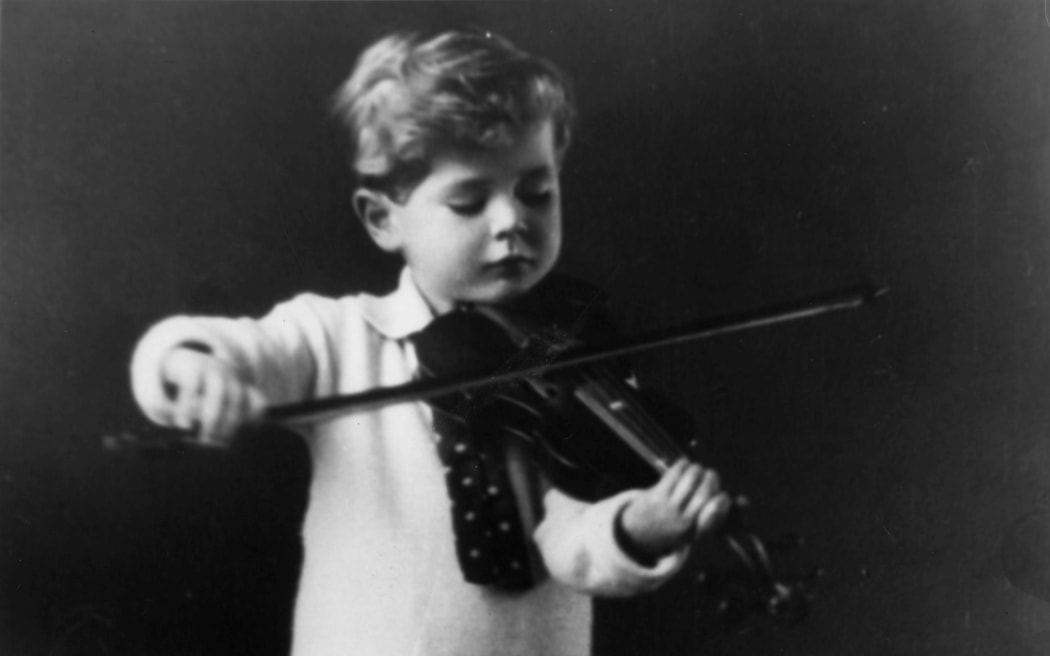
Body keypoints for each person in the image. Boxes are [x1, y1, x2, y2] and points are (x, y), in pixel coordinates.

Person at [130, 29, 731, 656]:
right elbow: (236, 348)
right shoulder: (339, 338)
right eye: (468, 202)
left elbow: (573, 540)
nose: (512, 221)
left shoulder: (573, 360)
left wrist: (635, 527)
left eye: (537, 192)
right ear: (383, 219)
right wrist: (193, 366)